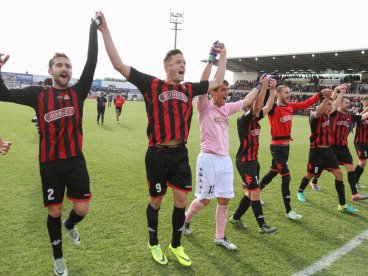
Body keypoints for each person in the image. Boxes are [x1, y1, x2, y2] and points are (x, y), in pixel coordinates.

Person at [96, 11, 226, 266]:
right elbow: (119, 65)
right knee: (155, 201)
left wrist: (222, 56)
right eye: (178, 61)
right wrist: (105, 31)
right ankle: (153, 242)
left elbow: (218, 80)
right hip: (156, 154)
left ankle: (175, 245)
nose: (182, 65)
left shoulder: (189, 88)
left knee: (181, 201)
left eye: (184, 62)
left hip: (179, 153)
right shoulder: (152, 84)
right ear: (167, 66)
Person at [0, 18, 98, 276]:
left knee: (82, 209)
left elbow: (91, 63)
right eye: (59, 65)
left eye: (67, 65)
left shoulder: (78, 92)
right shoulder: (37, 95)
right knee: (53, 210)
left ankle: (70, 225)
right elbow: (4, 94)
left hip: (76, 161)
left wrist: (93, 28)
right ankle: (58, 259)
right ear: (51, 70)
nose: (64, 68)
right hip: (50, 165)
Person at [183, 54, 266, 251]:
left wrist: (259, 86)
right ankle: (185, 220)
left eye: (227, 90)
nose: (226, 93)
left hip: (225, 161)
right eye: (222, 90)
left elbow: (247, 100)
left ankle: (219, 237)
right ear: (212, 92)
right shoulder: (204, 106)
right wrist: (214, 58)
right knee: (204, 199)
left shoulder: (227, 109)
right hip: (208, 159)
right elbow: (204, 82)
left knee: (224, 199)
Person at [259, 83, 328, 220]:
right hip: (277, 147)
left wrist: (320, 94)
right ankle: (289, 210)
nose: (288, 94)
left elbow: (305, 103)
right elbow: (267, 101)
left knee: (273, 172)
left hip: (286, 147)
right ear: (278, 94)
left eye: (289, 92)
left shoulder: (290, 106)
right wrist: (270, 89)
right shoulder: (273, 108)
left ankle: (254, 192)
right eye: (286, 92)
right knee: (286, 176)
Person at [296, 90, 359, 213]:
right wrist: (326, 99)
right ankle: (300, 191)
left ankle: (342, 204)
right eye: (328, 105)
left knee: (339, 174)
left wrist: (338, 94)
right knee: (310, 174)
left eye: (331, 105)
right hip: (316, 152)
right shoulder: (314, 115)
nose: (331, 107)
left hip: (329, 152)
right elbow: (319, 111)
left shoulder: (329, 116)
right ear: (322, 105)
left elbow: (335, 105)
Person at [229, 75, 278, 234]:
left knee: (250, 192)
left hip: (253, 161)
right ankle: (262, 225)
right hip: (244, 162)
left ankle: (236, 218)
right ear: (247, 108)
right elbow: (258, 106)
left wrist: (273, 90)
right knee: (255, 191)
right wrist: (263, 86)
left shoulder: (256, 119)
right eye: (253, 106)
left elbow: (268, 106)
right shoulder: (243, 119)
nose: (257, 108)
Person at [328, 88, 368, 201]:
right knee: (320, 168)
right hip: (332, 147)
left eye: (349, 102)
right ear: (340, 103)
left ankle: (355, 194)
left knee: (350, 168)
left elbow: (362, 117)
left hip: (344, 147)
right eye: (346, 102)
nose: (348, 104)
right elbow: (333, 104)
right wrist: (341, 93)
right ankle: (311, 183)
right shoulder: (334, 113)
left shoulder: (350, 115)